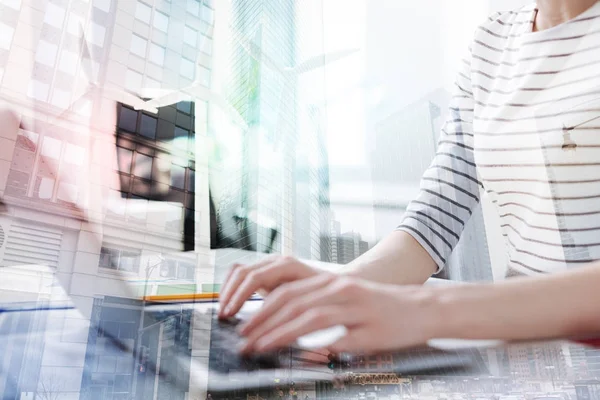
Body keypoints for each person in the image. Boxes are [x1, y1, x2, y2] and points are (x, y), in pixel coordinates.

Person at [219, 0, 600, 355]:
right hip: (526, 354)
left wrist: (429, 310)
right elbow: (431, 223)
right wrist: (336, 290)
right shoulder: (492, 43)